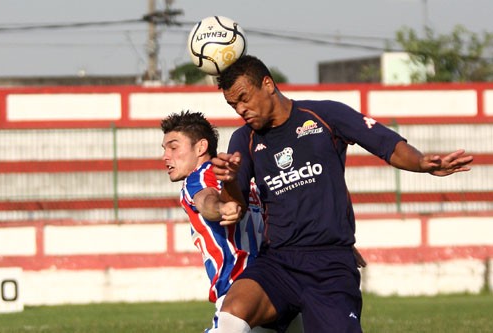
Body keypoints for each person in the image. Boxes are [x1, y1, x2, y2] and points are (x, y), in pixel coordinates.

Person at [211, 55, 474, 332]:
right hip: (278, 262)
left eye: (244, 98)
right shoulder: (243, 139)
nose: (241, 109)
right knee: (232, 313)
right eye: (234, 105)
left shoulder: (325, 115)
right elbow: (234, 204)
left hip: (330, 266)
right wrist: (228, 181)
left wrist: (421, 163)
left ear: (267, 84)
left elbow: (386, 144)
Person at [160, 110, 303, 333]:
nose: (166, 156)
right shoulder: (248, 184)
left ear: (201, 147)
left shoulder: (199, 176)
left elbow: (206, 199)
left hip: (240, 291)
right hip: (280, 287)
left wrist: (219, 208)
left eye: (173, 147)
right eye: (164, 149)